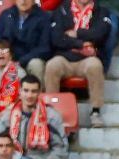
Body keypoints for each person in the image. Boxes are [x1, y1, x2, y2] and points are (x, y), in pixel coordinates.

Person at [45, 0, 111, 128]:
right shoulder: (62, 10)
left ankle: (95, 112)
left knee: (95, 66)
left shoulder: (101, 11)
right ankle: (50, 112)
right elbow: (56, 38)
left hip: (87, 59)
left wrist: (77, 33)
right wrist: (81, 44)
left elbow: (100, 34)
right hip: (64, 57)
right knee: (52, 66)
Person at [0, 74, 68, 159]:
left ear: (39, 92)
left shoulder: (51, 116)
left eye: (34, 91)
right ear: (20, 91)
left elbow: (61, 146)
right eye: (26, 90)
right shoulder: (8, 116)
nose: (29, 95)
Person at [0, 0, 52, 83]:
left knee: (36, 64)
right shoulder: (6, 14)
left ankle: (37, 94)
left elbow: (44, 48)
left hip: (30, 58)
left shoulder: (43, 17)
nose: (23, 1)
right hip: (7, 57)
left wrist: (21, 61)